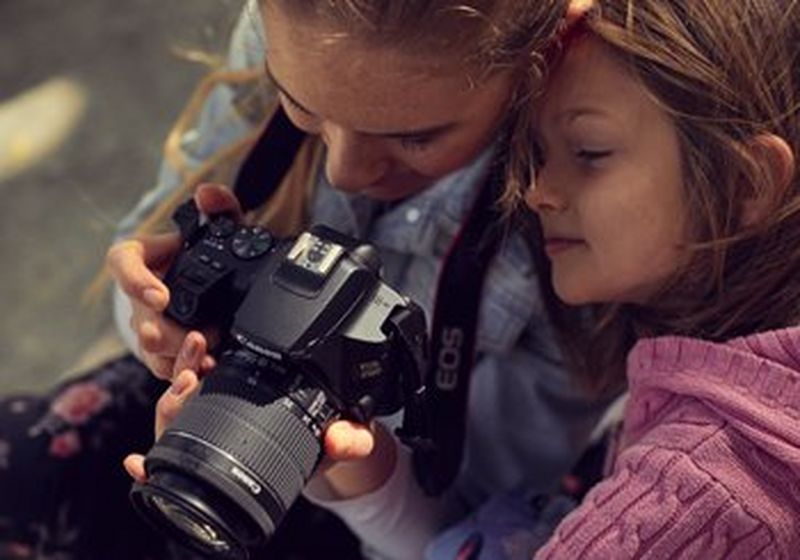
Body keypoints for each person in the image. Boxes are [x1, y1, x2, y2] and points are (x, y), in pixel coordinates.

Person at [1, 1, 610, 559]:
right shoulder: (298, 40)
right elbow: (147, 263)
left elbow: (473, 530)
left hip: (393, 522)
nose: (344, 171)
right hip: (207, 415)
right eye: (301, 106)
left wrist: (363, 471)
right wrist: (157, 318)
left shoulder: (581, 229)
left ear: (550, 47)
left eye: (414, 137)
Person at [321, 0, 800, 556]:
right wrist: (368, 475)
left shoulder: (693, 500)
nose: (535, 191)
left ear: (744, 185)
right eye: (539, 155)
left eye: (590, 152)